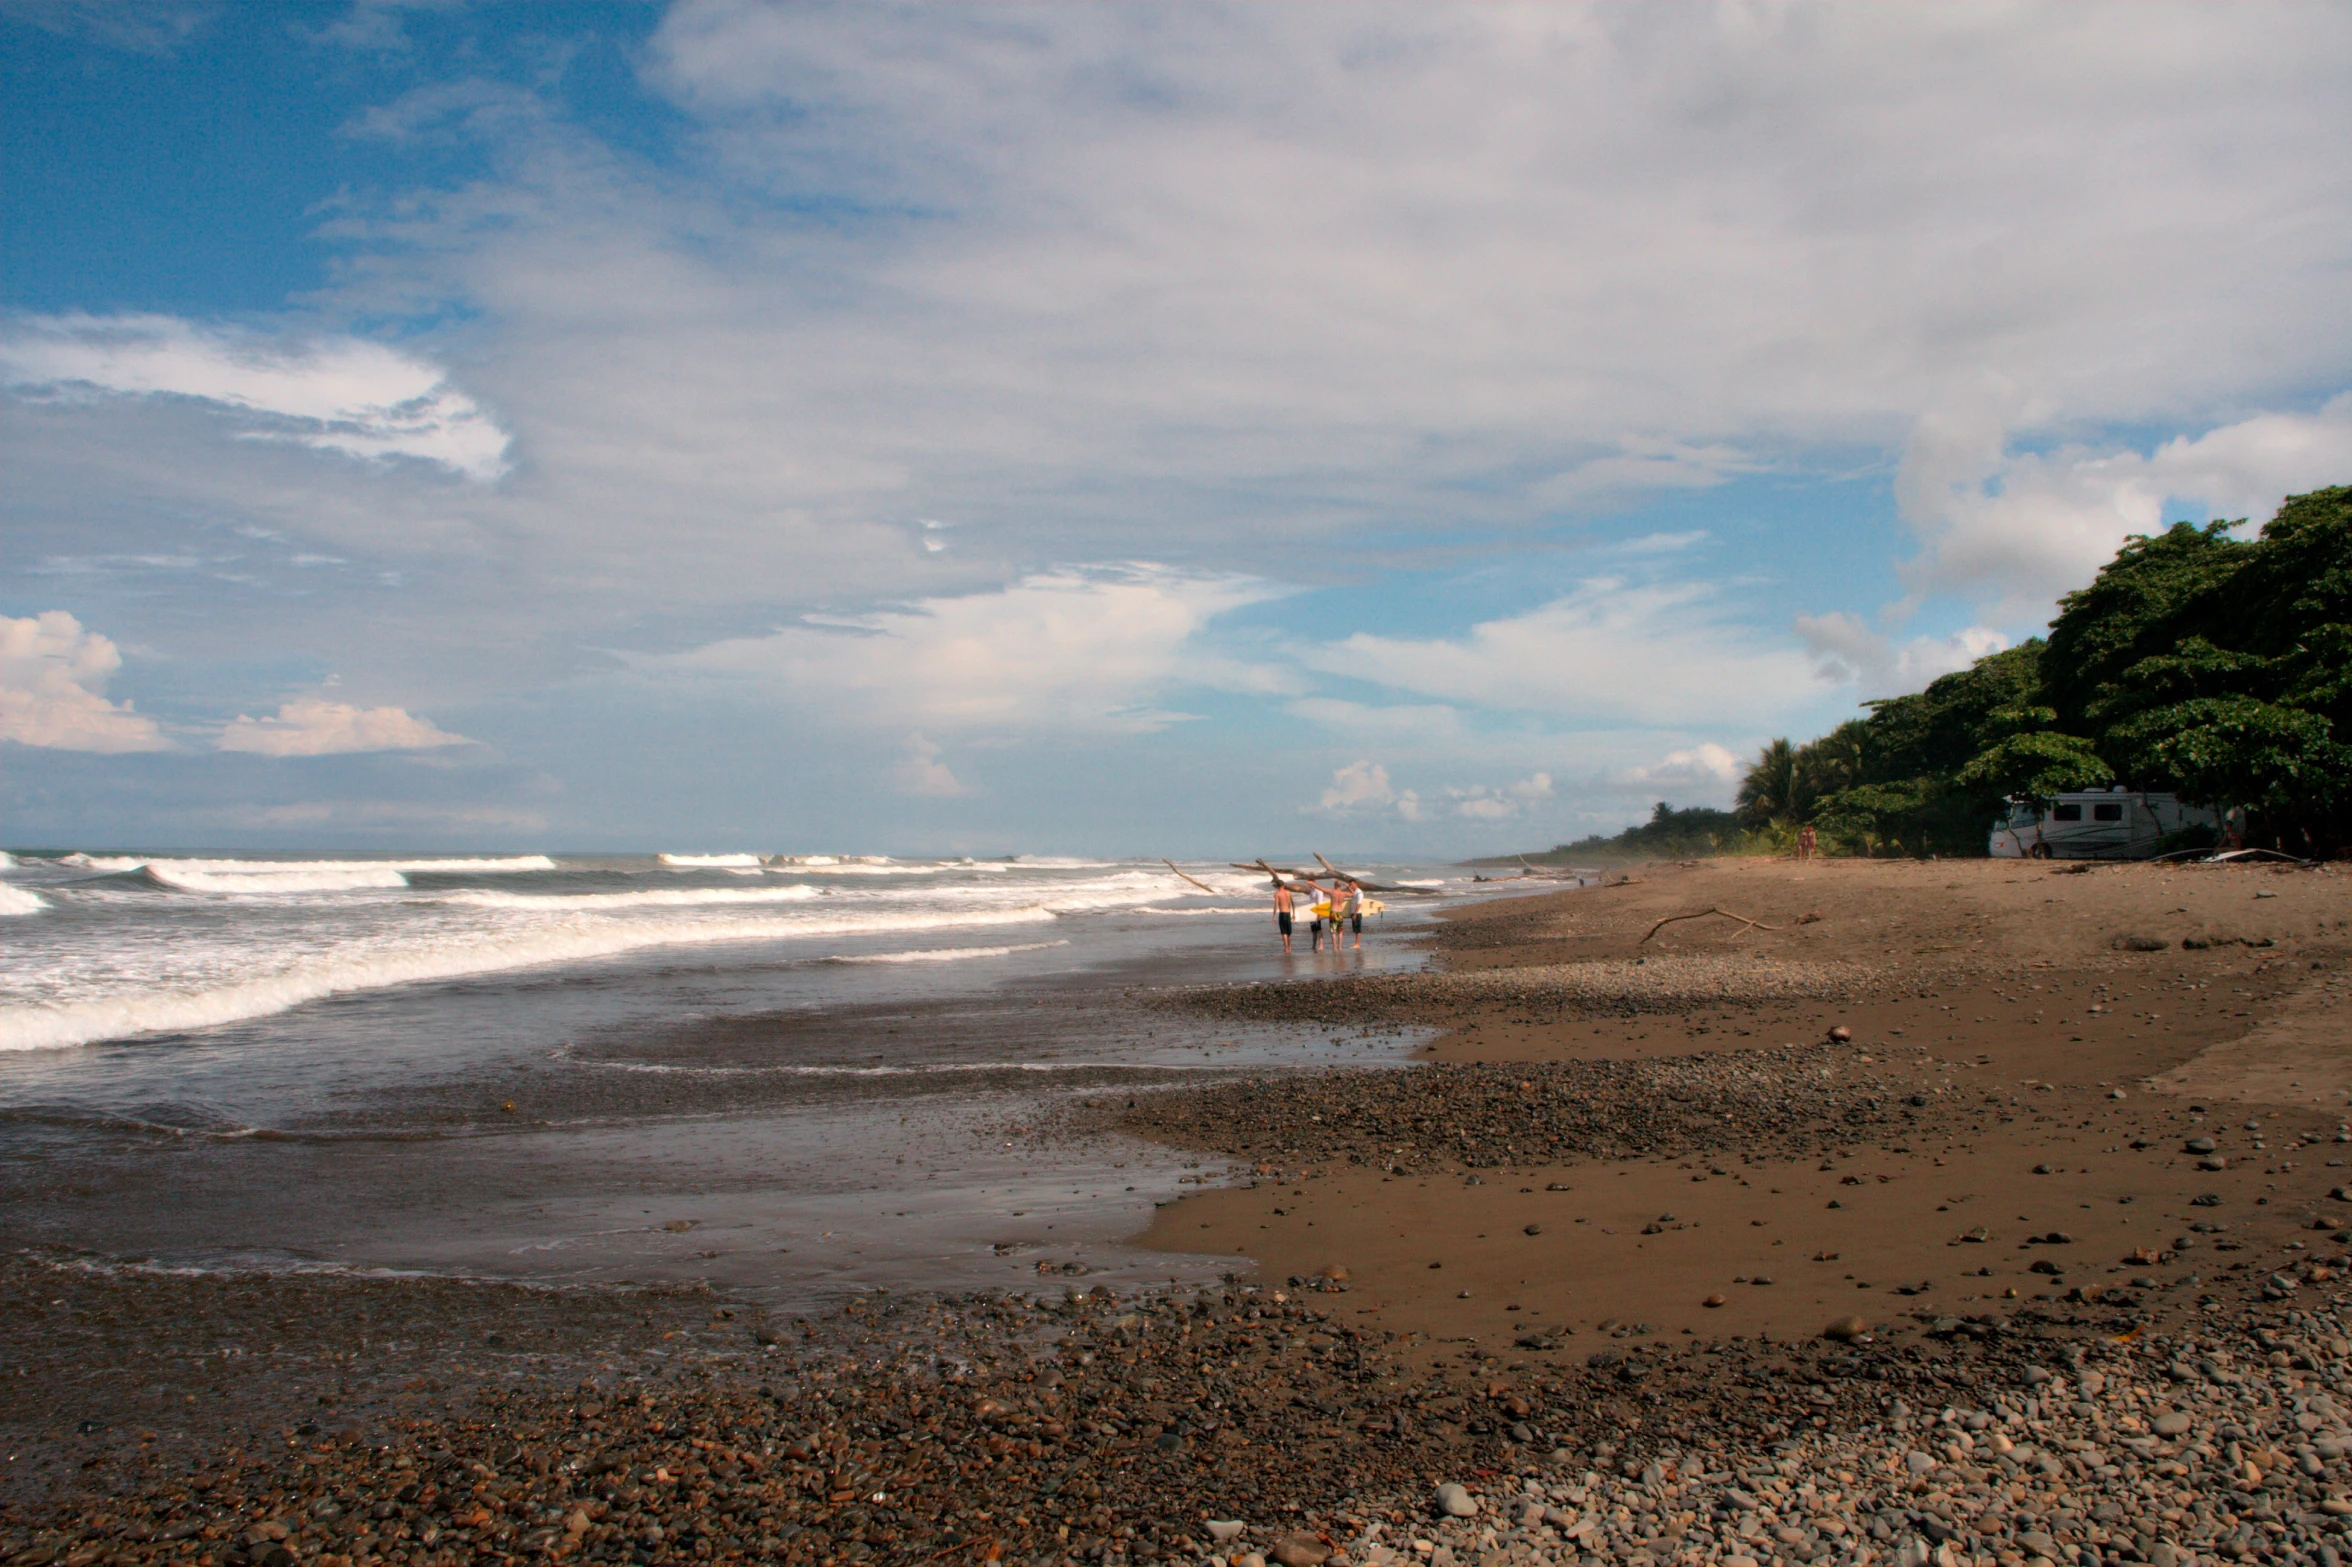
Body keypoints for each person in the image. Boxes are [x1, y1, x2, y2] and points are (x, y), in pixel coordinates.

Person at [1271, 876, 1295, 954]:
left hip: (1282, 914)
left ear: (1277, 886)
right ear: (1283, 885)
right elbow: (1293, 903)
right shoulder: (1288, 892)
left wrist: (1274, 916)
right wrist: (1293, 913)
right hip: (1288, 913)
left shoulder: (1277, 894)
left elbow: (1276, 906)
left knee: (1284, 932)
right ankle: (1290, 947)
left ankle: (1286, 948)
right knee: (1288, 933)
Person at [1341, 877, 1365, 949]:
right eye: (1350, 885)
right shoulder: (1356, 892)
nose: (1351, 886)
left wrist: (1355, 913)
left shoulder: (1359, 893)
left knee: (1358, 929)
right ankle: (1356, 943)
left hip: (1357, 913)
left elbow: (1359, 903)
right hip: (1354, 913)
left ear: (1355, 884)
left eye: (1352, 885)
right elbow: (1353, 895)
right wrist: (1348, 887)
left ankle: (1357, 944)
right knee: (1355, 929)